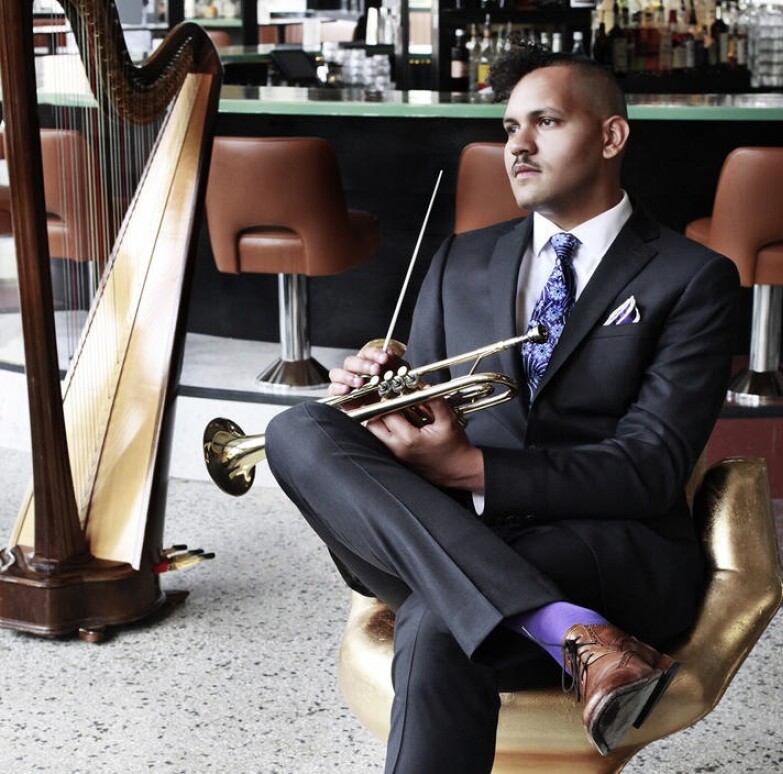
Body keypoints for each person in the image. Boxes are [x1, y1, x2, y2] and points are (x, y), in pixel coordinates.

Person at [265, 43, 740, 774]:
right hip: (453, 533)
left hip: (610, 550)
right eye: (510, 127)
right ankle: (572, 632)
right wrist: (375, 407)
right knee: (297, 427)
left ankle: (559, 616)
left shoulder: (693, 277)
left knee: (435, 622)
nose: (516, 144)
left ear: (612, 136)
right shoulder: (462, 257)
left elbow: (651, 469)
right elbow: (419, 412)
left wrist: (469, 466)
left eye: (544, 122)